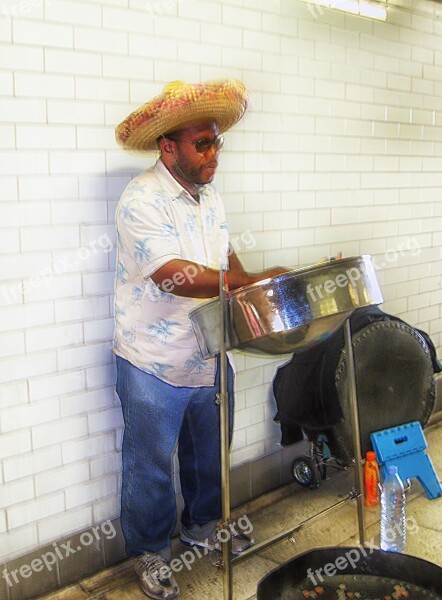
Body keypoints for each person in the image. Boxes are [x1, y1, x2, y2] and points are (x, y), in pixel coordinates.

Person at [113, 79, 287, 599]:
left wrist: (247, 283)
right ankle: (150, 552)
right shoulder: (141, 198)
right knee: (150, 464)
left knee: (210, 454)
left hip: (209, 354)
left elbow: (223, 256)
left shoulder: (209, 197)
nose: (214, 155)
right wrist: (241, 282)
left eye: (217, 143)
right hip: (152, 359)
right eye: (202, 144)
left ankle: (204, 527)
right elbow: (173, 273)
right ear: (169, 147)